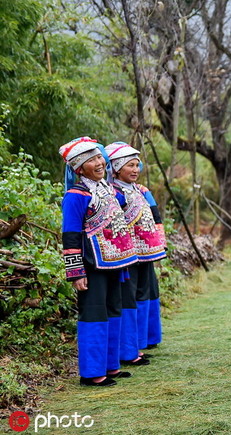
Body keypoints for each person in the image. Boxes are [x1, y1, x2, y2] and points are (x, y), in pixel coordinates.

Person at [60, 136, 138, 387]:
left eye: (99, 157)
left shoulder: (107, 189)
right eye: (91, 160)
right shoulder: (75, 195)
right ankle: (93, 372)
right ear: (79, 168)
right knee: (94, 314)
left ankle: (111, 365)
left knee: (113, 310)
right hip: (92, 265)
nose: (99, 163)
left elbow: (123, 206)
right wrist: (75, 271)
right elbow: (70, 234)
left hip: (115, 262)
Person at [106, 142, 167, 366]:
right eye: (129, 165)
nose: (135, 169)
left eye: (137, 165)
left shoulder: (142, 190)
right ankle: (129, 347)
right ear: (116, 168)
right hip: (126, 255)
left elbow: (155, 216)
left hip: (147, 252)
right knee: (128, 298)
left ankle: (145, 339)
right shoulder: (112, 192)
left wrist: (160, 243)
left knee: (146, 293)